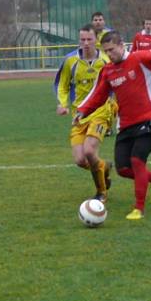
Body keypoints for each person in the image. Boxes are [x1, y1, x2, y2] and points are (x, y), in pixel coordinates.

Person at [75, 31, 151, 220]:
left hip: (148, 120)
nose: (109, 54)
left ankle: (139, 208)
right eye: (106, 51)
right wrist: (82, 111)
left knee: (137, 160)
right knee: (123, 169)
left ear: (121, 45)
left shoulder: (140, 58)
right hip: (126, 125)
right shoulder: (108, 70)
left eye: (111, 50)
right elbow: (98, 95)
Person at [54, 26, 116, 203]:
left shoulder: (105, 60)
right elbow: (62, 85)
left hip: (101, 112)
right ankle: (103, 168)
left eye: (89, 39)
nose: (86, 43)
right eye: (82, 40)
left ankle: (101, 193)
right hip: (79, 116)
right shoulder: (70, 61)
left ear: (96, 40)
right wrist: (62, 103)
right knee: (81, 160)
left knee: (89, 151)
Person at [131, 18, 151, 112]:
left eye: (150, 24)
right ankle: (142, 104)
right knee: (139, 85)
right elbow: (133, 50)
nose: (148, 25)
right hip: (140, 65)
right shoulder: (138, 36)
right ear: (143, 25)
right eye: (146, 24)